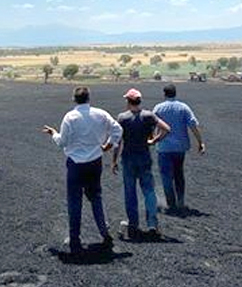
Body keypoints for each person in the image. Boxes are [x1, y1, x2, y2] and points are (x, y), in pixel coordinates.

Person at [42, 86, 122, 254]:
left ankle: (75, 238)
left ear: (74, 99)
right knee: (96, 198)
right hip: (95, 162)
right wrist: (108, 145)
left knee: (74, 201)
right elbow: (118, 130)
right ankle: (105, 233)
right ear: (88, 98)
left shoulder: (70, 117)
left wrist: (53, 133)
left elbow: (62, 142)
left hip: (76, 164)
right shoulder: (101, 114)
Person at [111, 88, 170, 239]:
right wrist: (154, 140)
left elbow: (118, 141)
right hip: (144, 156)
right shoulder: (148, 116)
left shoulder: (122, 118)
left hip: (128, 159)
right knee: (149, 191)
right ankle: (152, 224)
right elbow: (166, 129)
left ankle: (133, 224)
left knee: (130, 193)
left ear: (128, 101)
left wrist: (114, 160)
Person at [152, 83, 205, 213]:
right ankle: (180, 201)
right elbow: (193, 125)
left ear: (164, 94)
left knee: (166, 176)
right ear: (175, 93)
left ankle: (171, 203)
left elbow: (151, 125)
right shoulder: (184, 107)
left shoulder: (158, 108)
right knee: (179, 174)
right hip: (180, 147)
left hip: (164, 147)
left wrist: (151, 139)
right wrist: (200, 142)